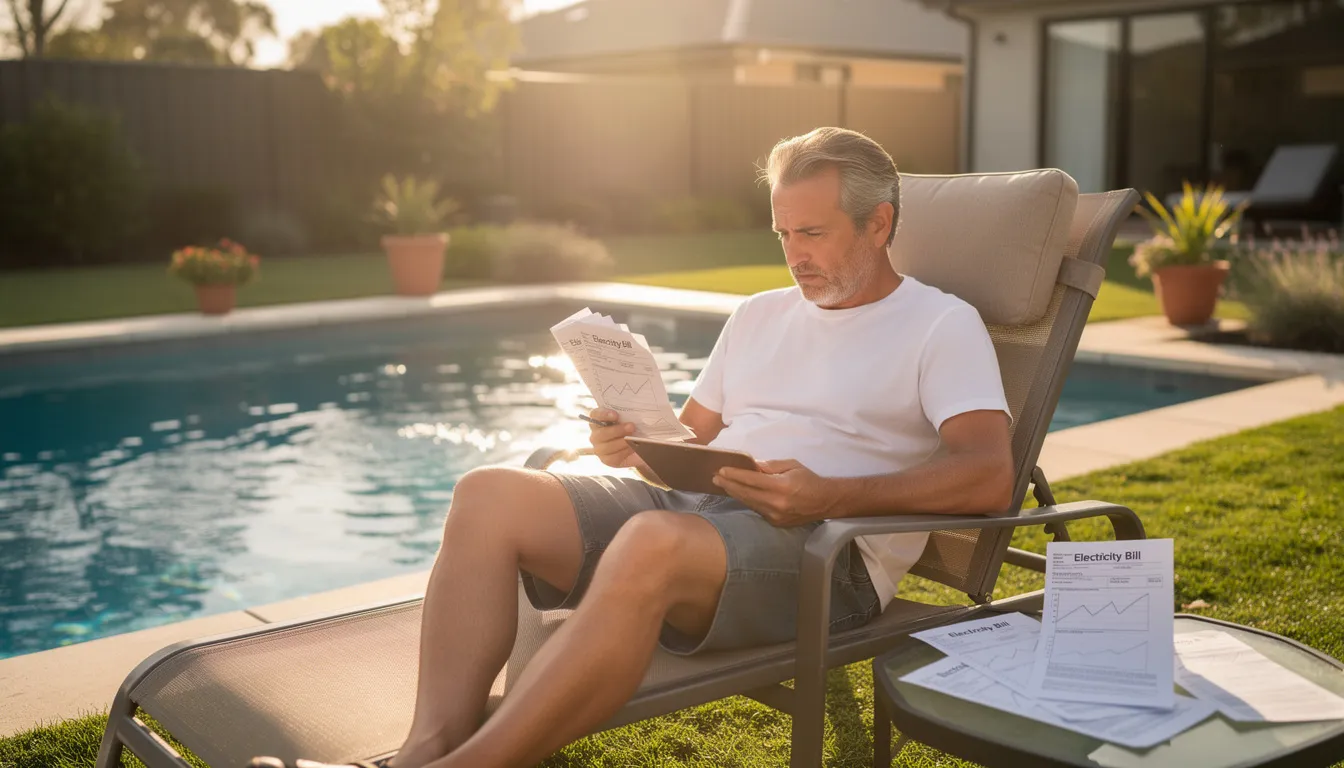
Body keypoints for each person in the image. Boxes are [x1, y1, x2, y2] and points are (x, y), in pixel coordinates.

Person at [248, 127, 1014, 768]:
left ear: (879, 224)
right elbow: (686, 440)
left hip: (824, 552)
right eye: (783, 233)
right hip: (696, 514)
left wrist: (831, 496)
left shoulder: (940, 326)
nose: (795, 254)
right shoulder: (759, 314)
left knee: (652, 539)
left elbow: (988, 475)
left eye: (813, 233)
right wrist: (630, 442)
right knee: (489, 493)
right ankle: (427, 747)